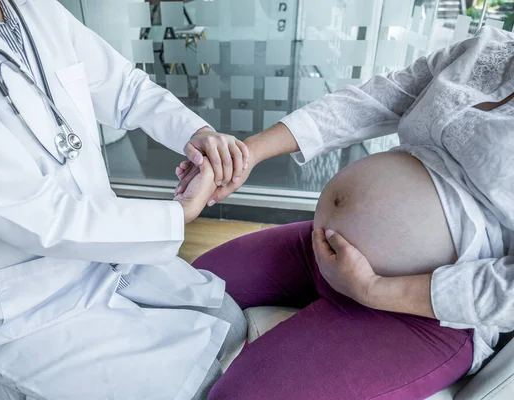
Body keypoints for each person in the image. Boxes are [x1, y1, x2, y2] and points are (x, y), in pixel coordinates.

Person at [0, 0, 250, 398]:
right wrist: (176, 215)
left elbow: (124, 87)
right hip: (21, 298)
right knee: (195, 385)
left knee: (231, 324)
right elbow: (36, 214)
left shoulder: (33, 8)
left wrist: (196, 134)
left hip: (100, 253)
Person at [176, 26, 514, 398]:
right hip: (325, 245)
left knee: (241, 395)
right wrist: (246, 155)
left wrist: (374, 289)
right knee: (184, 287)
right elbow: (375, 100)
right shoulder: (487, 49)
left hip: (425, 315)